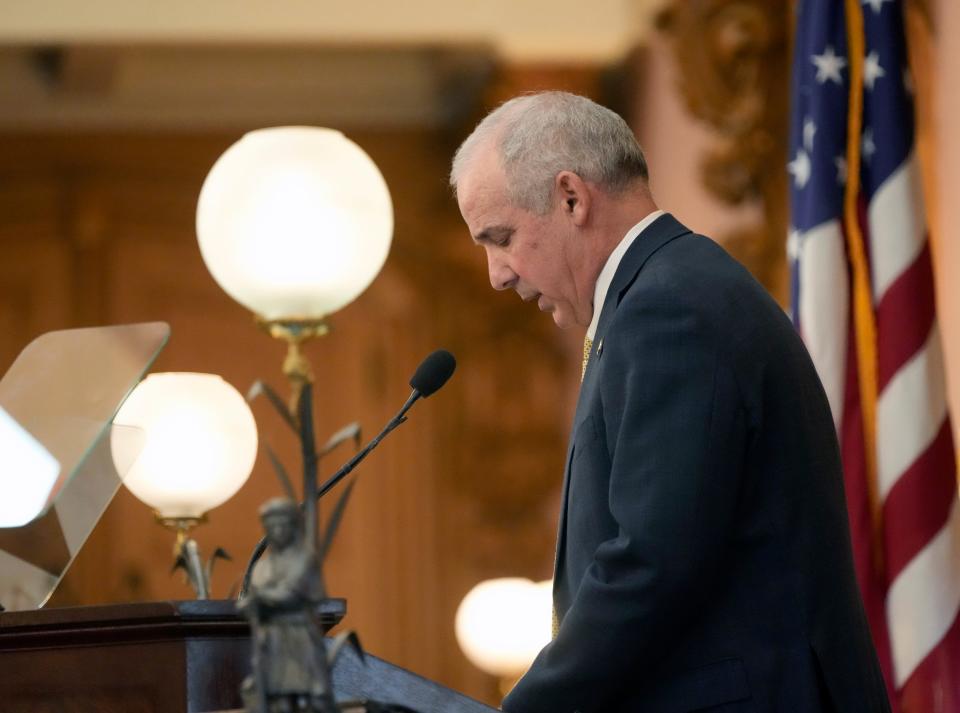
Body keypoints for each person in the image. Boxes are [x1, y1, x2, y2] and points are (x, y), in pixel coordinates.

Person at [450, 92, 890, 713]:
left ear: (572, 198)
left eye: (501, 238)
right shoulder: (664, 291)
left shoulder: (668, 308)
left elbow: (652, 565)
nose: (497, 273)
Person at [239, 497, 333, 713]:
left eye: (282, 525)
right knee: (276, 699)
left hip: (299, 635)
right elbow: (255, 594)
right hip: (271, 638)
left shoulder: (304, 559)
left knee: (308, 697)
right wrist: (249, 606)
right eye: (271, 526)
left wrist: (261, 599)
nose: (277, 531)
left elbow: (291, 592)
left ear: (292, 526)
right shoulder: (262, 567)